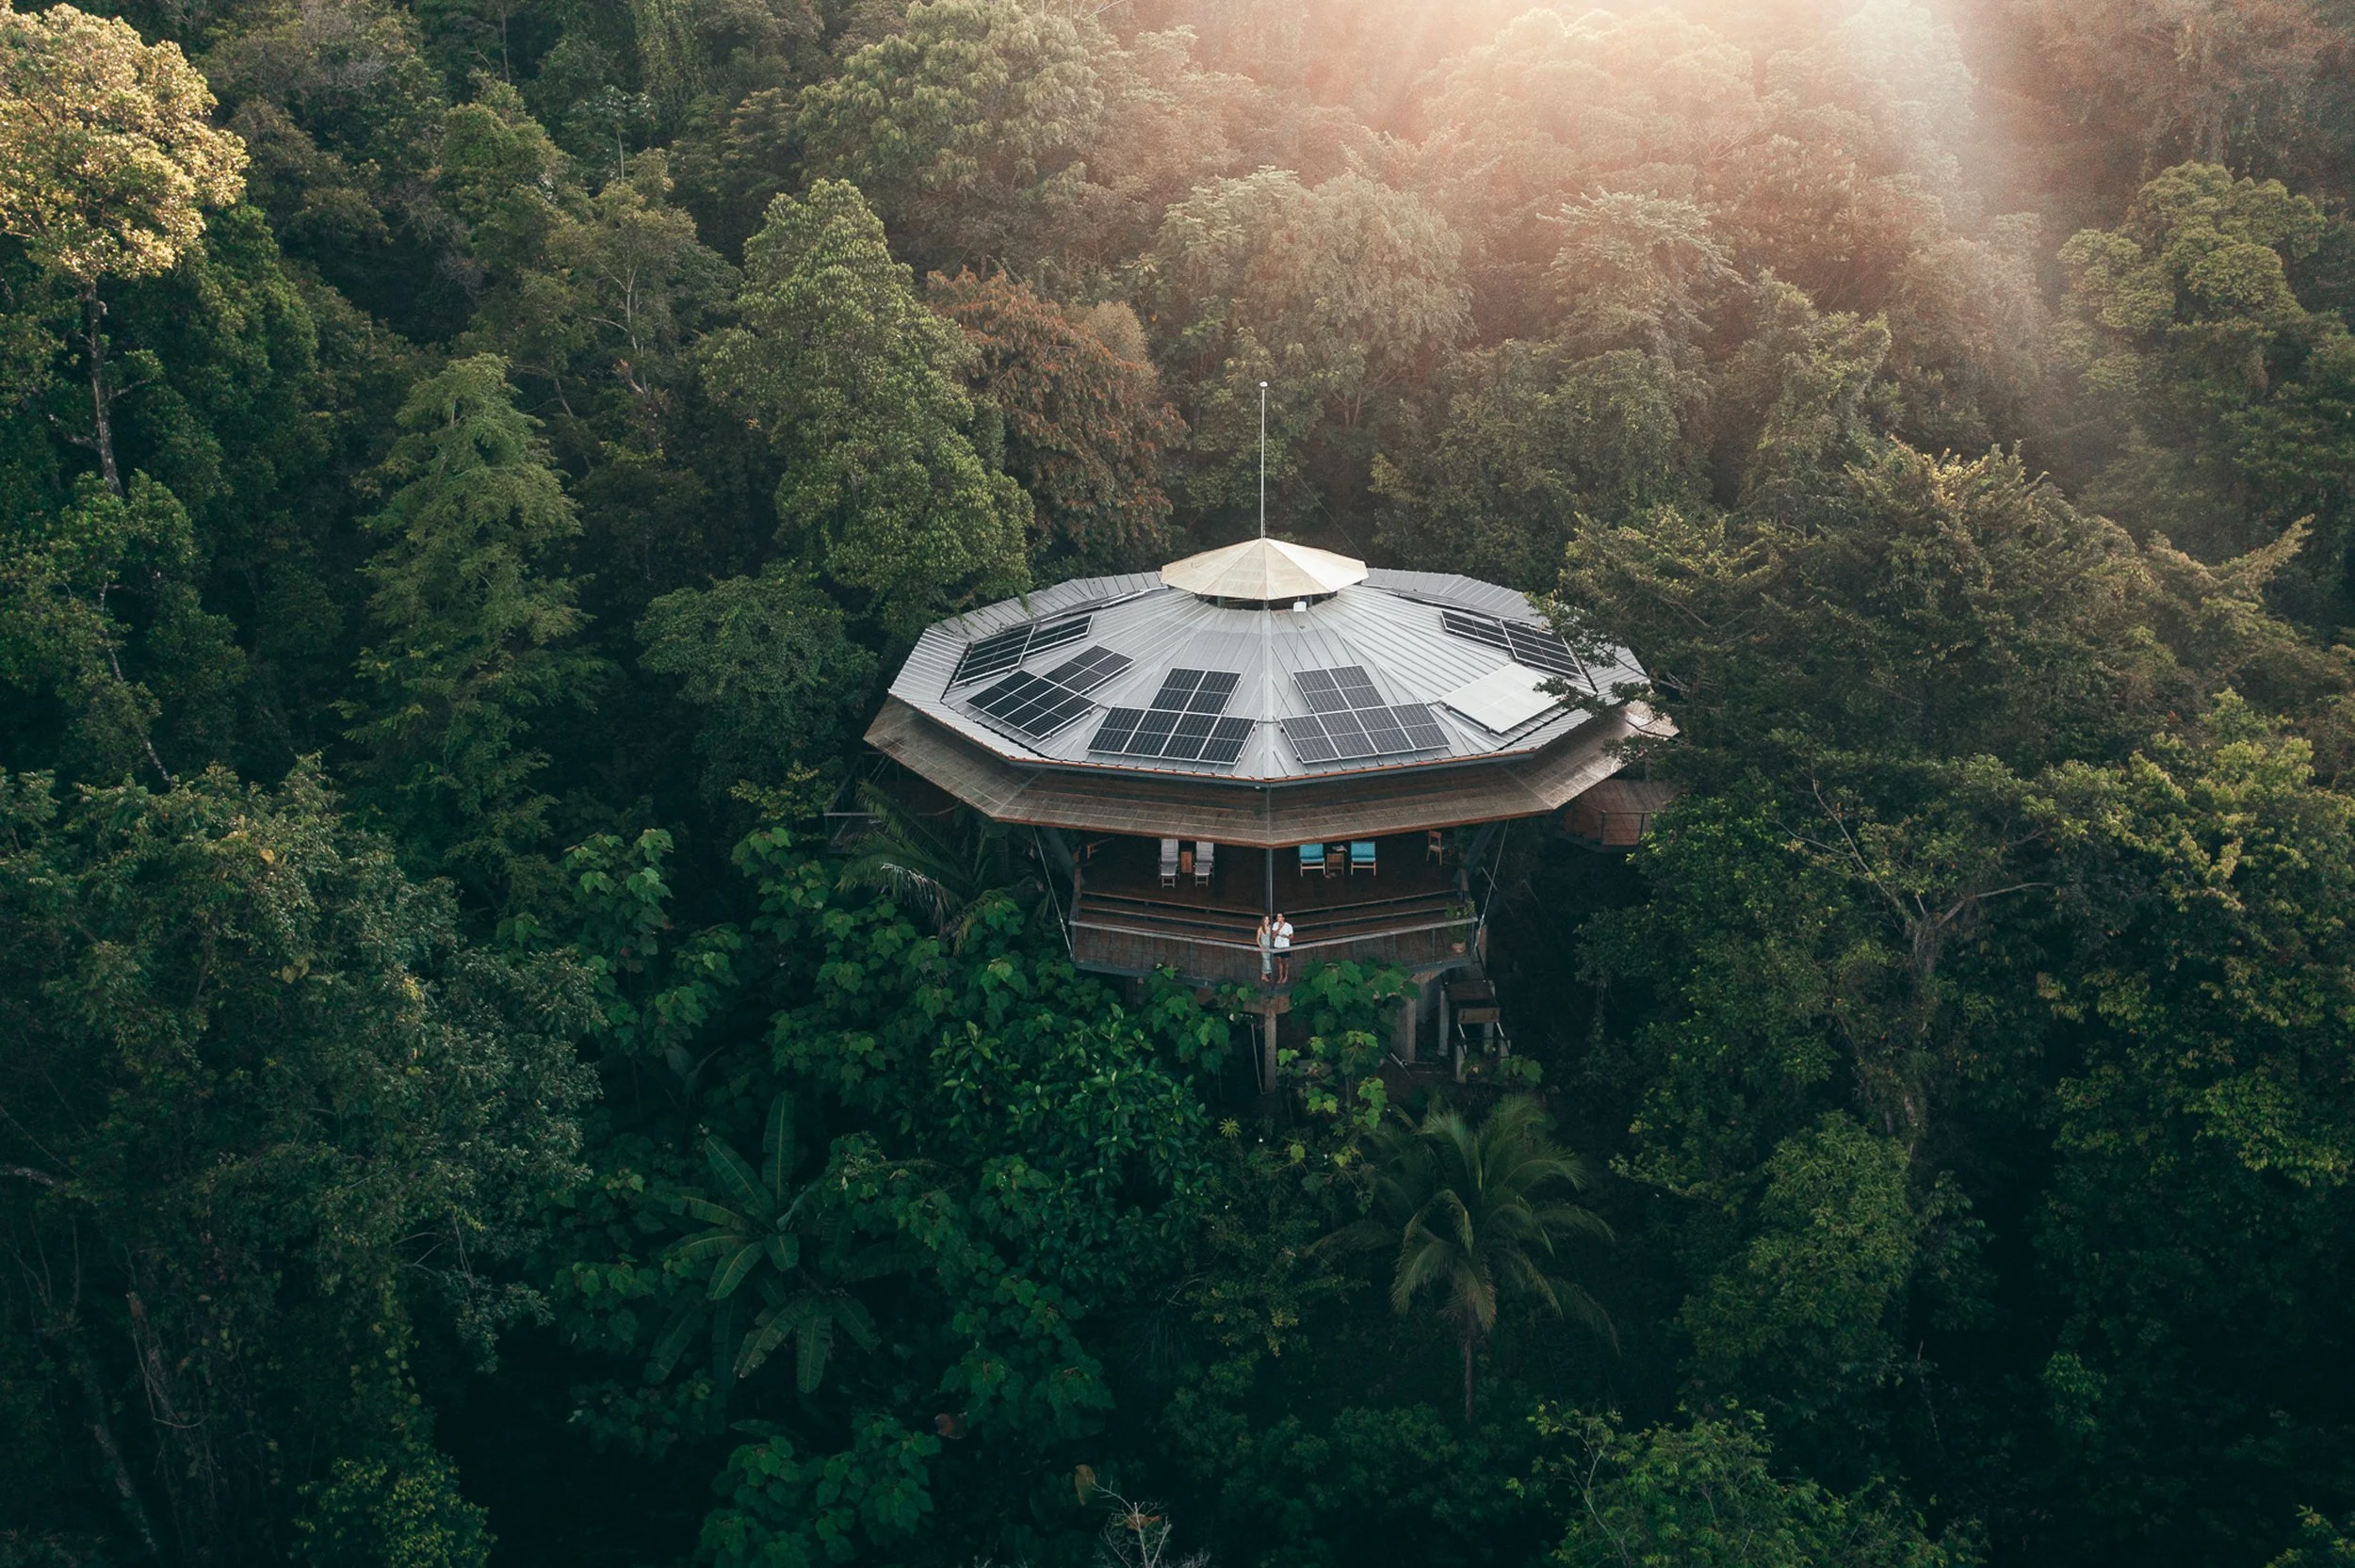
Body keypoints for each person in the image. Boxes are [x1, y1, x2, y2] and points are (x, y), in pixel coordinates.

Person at [1272, 911, 1294, 983]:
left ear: (1283, 918)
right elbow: (1273, 936)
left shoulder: (1288, 926)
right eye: (1277, 917)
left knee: (1285, 961)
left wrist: (1286, 936)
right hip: (1277, 945)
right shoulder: (1275, 925)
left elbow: (1292, 936)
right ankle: (1280, 976)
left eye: (1280, 916)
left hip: (1285, 945)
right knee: (1279, 961)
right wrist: (1279, 928)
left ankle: (1286, 976)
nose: (1278, 918)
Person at [1256, 913, 1274, 982]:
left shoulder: (1270, 927)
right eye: (1266, 919)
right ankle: (1268, 972)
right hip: (1263, 946)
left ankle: (1263, 975)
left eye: (1268, 919)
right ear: (1263, 920)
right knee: (1266, 960)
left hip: (1269, 946)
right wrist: (1261, 947)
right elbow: (1257, 939)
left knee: (1267, 960)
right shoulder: (1260, 928)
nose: (1267, 921)